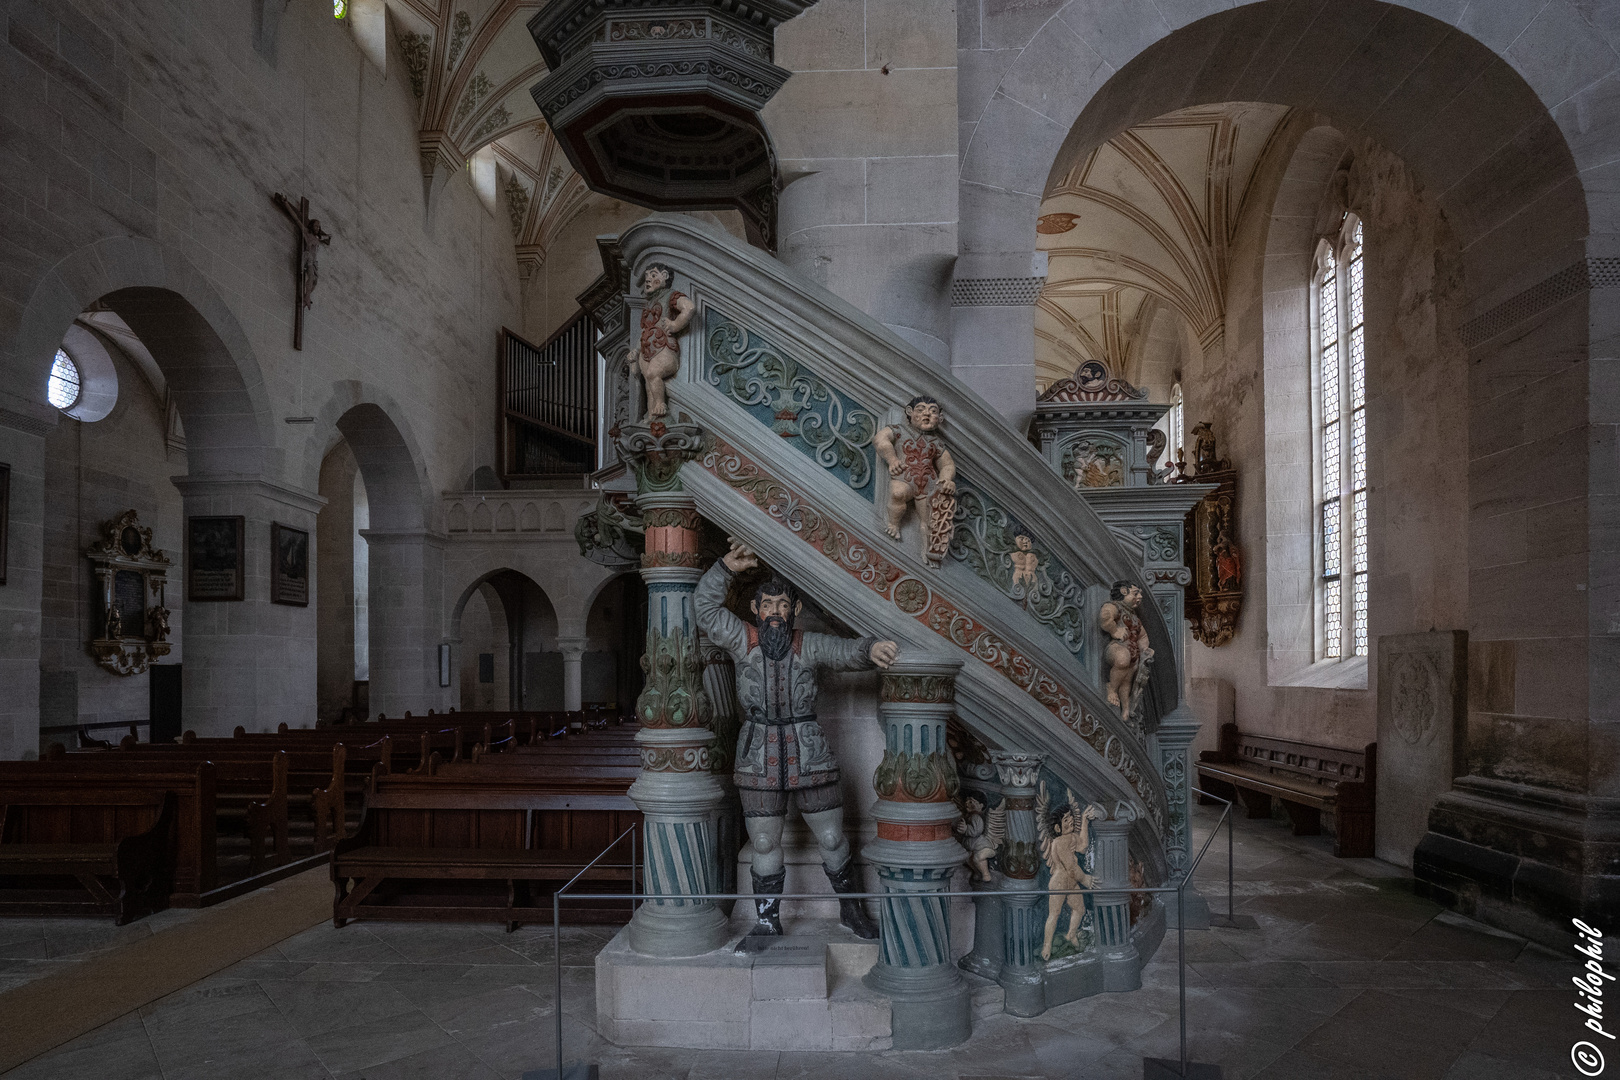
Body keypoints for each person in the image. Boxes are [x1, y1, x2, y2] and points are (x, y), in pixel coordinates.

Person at [694, 539, 899, 939]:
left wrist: (871, 647)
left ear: (795, 610)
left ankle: (852, 911)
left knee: (832, 836)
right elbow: (704, 610)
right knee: (766, 842)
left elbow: (846, 651)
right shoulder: (741, 639)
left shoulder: (809, 644)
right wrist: (723, 569)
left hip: (811, 756)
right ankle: (767, 922)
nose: (774, 613)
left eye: (782, 606)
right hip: (757, 756)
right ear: (755, 609)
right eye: (767, 605)